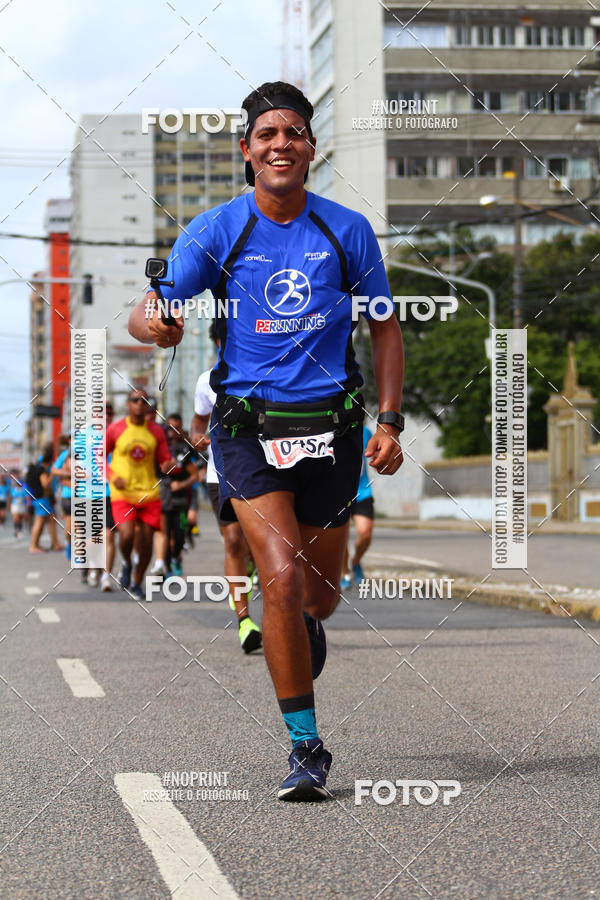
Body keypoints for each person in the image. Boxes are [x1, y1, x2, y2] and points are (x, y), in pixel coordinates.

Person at [128, 81, 404, 801]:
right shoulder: (218, 230)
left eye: (295, 132)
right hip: (248, 429)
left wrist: (390, 420)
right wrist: (155, 321)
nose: (281, 143)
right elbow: (149, 308)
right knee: (278, 579)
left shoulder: (347, 231)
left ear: (312, 148)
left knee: (318, 597)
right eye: (267, 134)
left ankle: (302, 628)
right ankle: (306, 747)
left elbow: (383, 326)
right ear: (247, 152)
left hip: (333, 431)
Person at [192, 342, 263, 654]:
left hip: (264, 471)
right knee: (234, 540)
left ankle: (251, 570)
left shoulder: (266, 373)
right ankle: (245, 621)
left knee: (257, 545)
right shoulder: (207, 380)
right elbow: (198, 424)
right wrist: (198, 438)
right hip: (219, 474)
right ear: (220, 340)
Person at [106, 388, 175, 598]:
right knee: (126, 535)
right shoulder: (115, 429)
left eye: (143, 400)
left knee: (146, 542)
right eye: (135, 399)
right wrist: (111, 475)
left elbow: (165, 459)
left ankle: (137, 581)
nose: (139, 403)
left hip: (149, 493)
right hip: (123, 493)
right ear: (128, 404)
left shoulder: (155, 431)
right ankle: (126, 561)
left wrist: (168, 464)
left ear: (147, 405)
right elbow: (99, 458)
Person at [161, 413, 199, 577]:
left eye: (177, 428)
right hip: (162, 498)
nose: (173, 431)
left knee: (179, 534)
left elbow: (195, 475)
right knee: (165, 535)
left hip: (182, 499)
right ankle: (166, 566)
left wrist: (181, 484)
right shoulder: (160, 446)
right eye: (170, 428)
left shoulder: (185, 448)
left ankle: (177, 556)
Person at [341, 424, 376, 589]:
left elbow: (374, 453)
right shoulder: (330, 428)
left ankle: (355, 562)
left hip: (362, 491)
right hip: (338, 493)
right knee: (341, 536)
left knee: (365, 534)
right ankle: (344, 573)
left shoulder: (365, 432)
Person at [28, 442, 63, 553]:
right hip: (41, 499)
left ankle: (54, 543)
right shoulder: (42, 470)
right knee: (39, 522)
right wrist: (52, 474)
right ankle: (33, 546)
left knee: (50, 520)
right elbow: (45, 484)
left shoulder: (37, 466)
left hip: (40, 498)